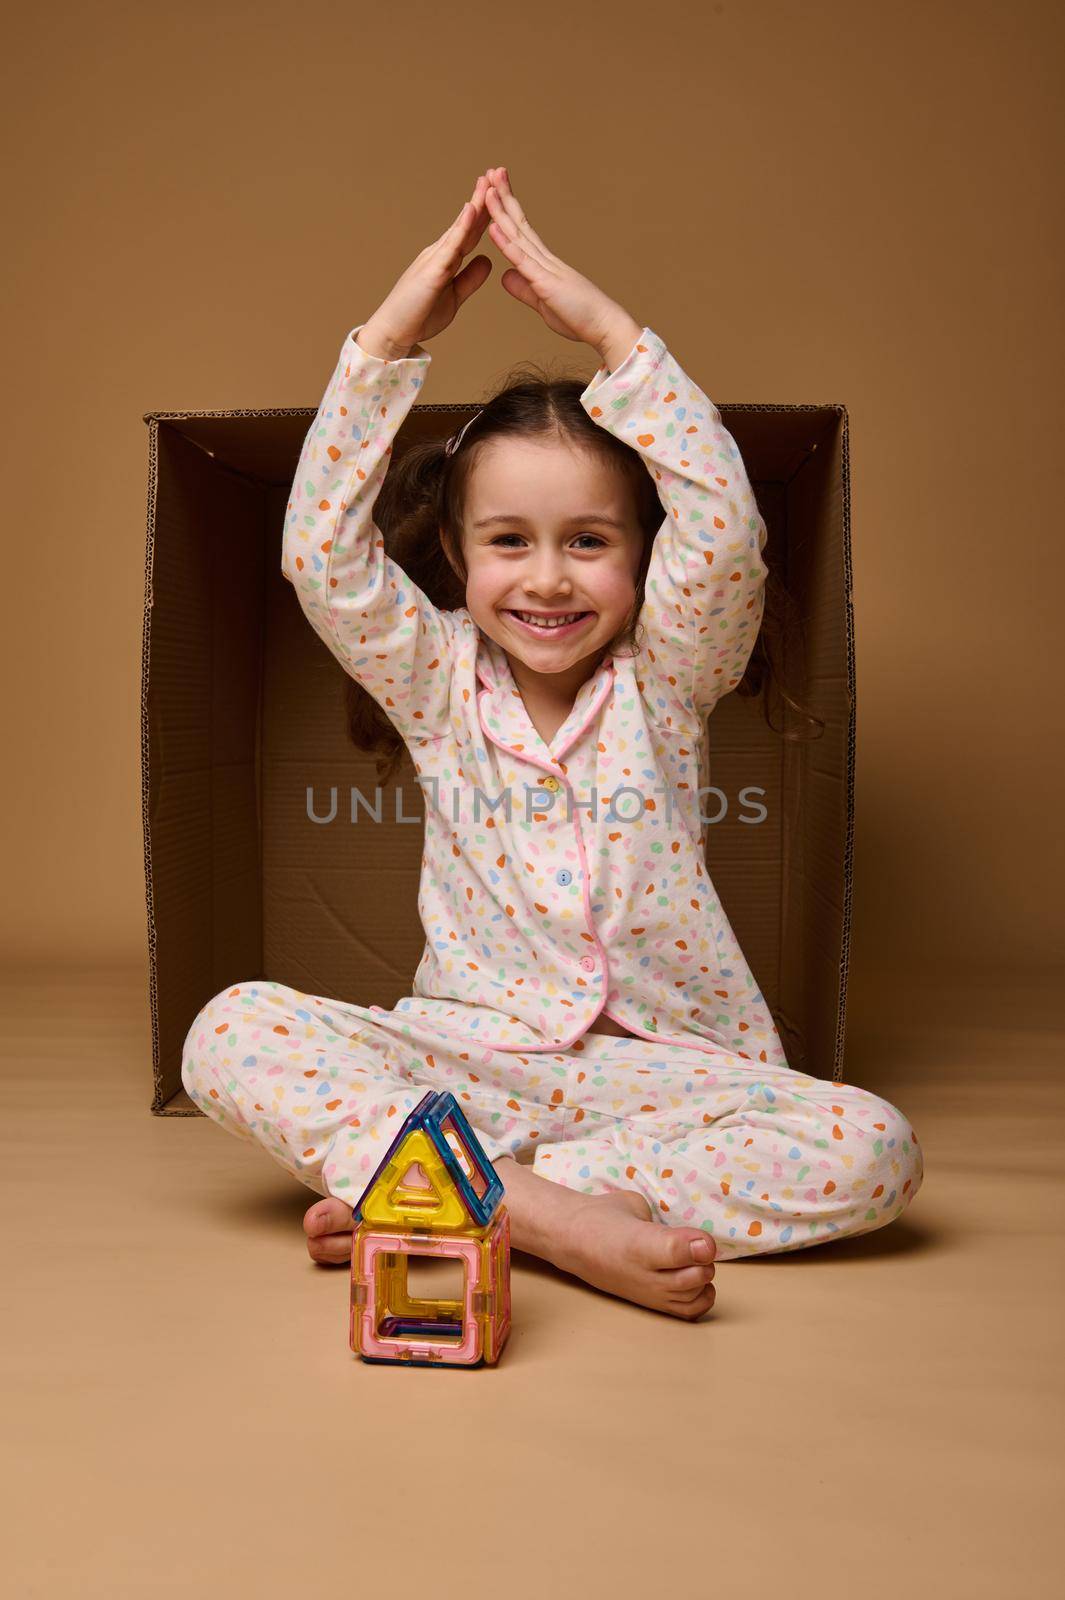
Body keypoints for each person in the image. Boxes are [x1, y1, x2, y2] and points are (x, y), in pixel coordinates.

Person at [181, 166, 923, 1321]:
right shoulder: (434, 680)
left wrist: (611, 334)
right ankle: (547, 1220)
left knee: (874, 1145)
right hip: (471, 1066)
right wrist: (386, 339)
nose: (547, 578)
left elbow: (725, 533)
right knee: (228, 1029)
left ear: (639, 558)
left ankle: (449, 1196)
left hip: (662, 1077)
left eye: (587, 541)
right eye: (510, 542)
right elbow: (320, 557)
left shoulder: (669, 681)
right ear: (459, 556)